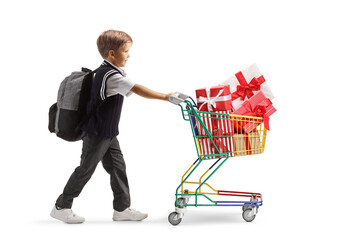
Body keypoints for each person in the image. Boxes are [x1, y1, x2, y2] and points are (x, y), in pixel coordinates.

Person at [50, 30, 175, 224]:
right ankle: (61, 206)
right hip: (97, 133)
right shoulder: (110, 76)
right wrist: (165, 97)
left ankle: (122, 209)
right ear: (111, 53)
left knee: (117, 168)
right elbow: (137, 88)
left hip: (107, 133)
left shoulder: (107, 71)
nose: (129, 55)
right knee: (85, 170)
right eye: (126, 51)